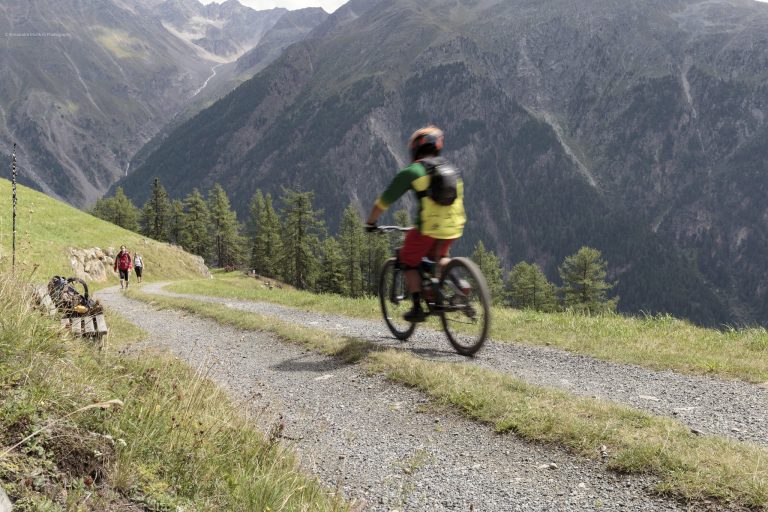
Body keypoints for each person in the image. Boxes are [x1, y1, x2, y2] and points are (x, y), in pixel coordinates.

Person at [365, 125, 466, 322]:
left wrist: (371, 222)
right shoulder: (452, 170)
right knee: (441, 257)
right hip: (454, 227)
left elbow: (383, 201)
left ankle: (418, 306)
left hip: (427, 229)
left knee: (407, 260)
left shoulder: (413, 171)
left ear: (416, 149)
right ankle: (460, 283)